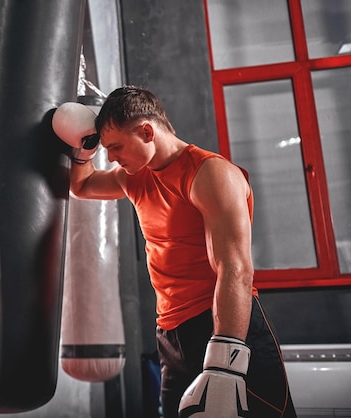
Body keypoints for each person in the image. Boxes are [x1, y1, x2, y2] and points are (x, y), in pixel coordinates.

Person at [52, 86, 296, 418]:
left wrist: (226, 362)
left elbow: (235, 270)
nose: (110, 157)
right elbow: (81, 186)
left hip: (222, 325)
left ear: (147, 131)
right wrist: (83, 148)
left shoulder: (210, 173)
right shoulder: (133, 178)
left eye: (115, 147)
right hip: (170, 333)